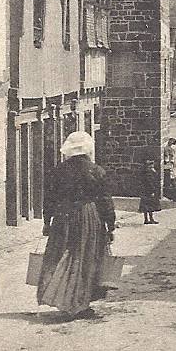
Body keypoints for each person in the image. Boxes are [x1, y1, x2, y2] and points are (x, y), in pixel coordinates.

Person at [37, 131, 116, 321]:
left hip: (63, 217)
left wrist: (47, 222)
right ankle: (80, 303)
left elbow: (49, 199)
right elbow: (105, 200)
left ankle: (65, 299)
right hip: (88, 216)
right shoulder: (96, 170)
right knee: (85, 256)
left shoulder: (58, 171)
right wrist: (110, 225)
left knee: (62, 255)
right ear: (87, 149)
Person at [139, 159, 161, 225]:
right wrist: (153, 191)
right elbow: (150, 183)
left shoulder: (144, 172)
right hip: (148, 191)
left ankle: (146, 219)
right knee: (150, 206)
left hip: (144, 191)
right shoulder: (149, 173)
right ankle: (151, 219)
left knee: (146, 206)